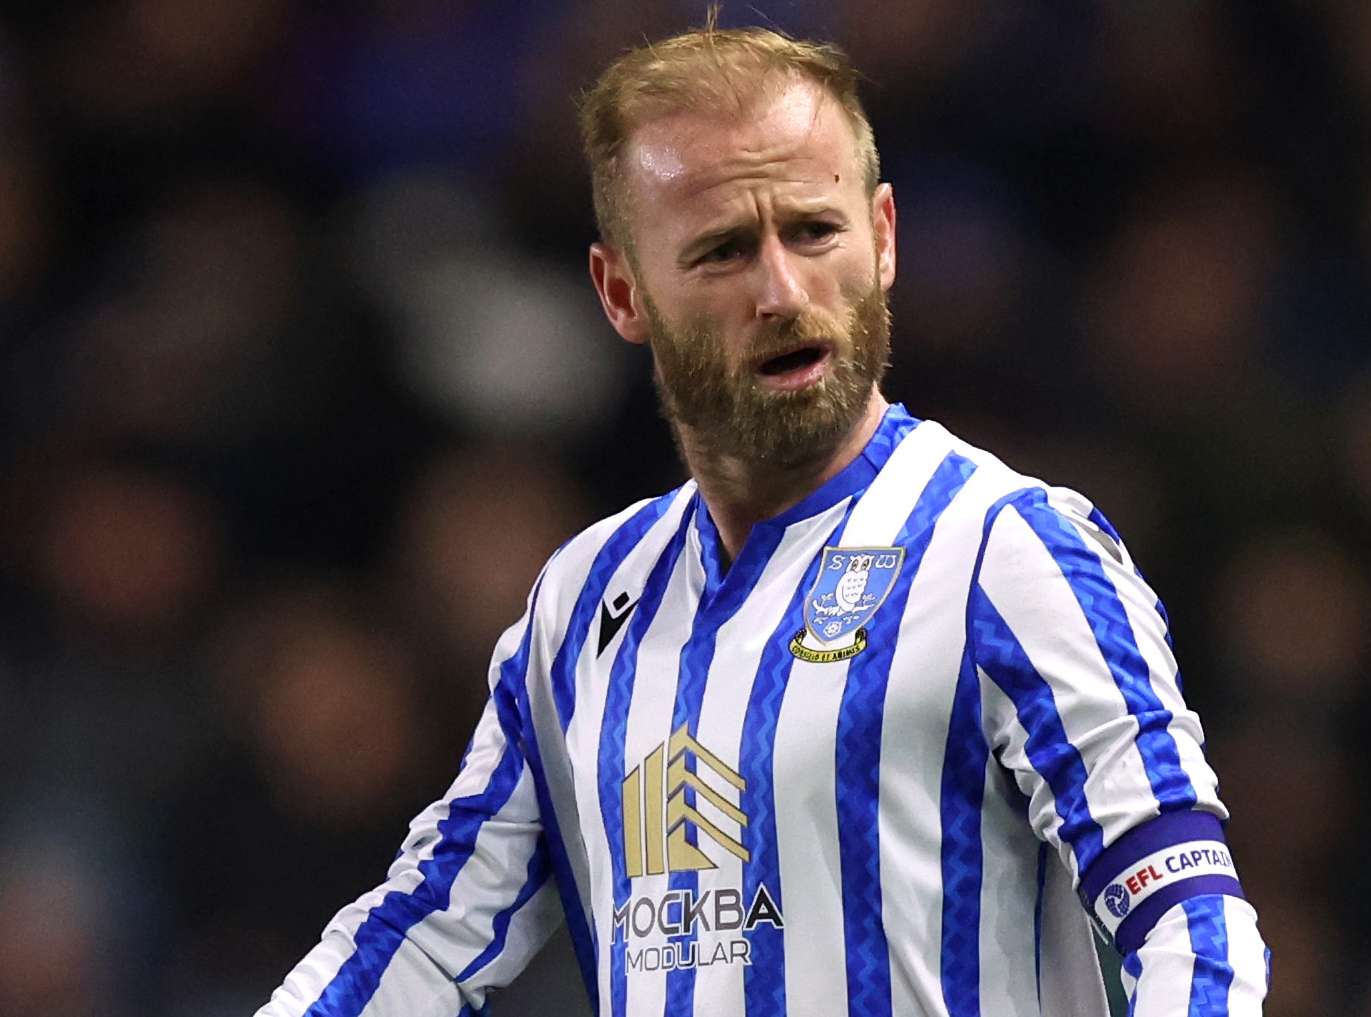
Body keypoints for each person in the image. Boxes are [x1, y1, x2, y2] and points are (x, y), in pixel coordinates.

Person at [257, 20, 1268, 1017]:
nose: (782, 290)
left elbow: (1189, 925)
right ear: (622, 292)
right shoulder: (581, 603)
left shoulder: (1003, 553)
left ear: (883, 237)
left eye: (814, 231)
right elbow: (426, 933)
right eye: (723, 251)